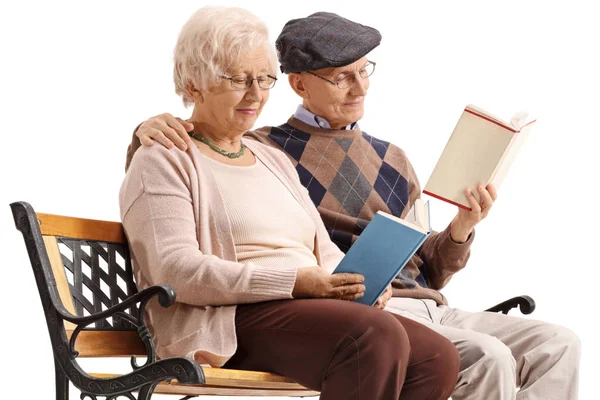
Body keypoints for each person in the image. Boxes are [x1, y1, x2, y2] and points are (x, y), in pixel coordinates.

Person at [130, 11, 582, 400]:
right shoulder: (263, 145)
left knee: (519, 347)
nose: (254, 93)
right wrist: (144, 131)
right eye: (237, 79)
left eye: (262, 79)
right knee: (415, 344)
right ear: (300, 84)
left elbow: (334, 249)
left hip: (382, 300)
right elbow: (175, 254)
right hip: (261, 310)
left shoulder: (286, 160)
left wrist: (459, 229)